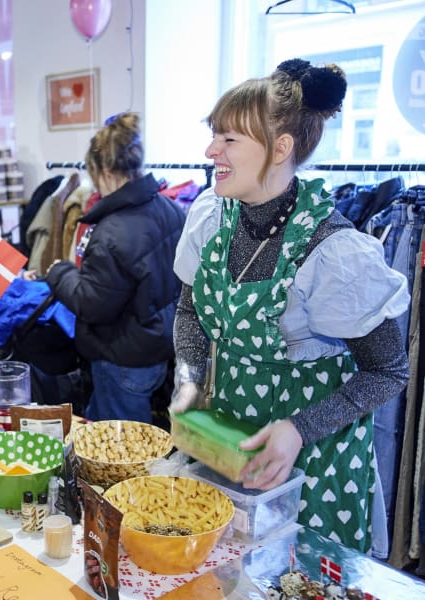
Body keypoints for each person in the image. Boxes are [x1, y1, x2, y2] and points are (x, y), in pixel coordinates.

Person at [170, 58, 409, 553]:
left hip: (315, 459)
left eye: (229, 139)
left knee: (301, 577)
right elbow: (191, 311)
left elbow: (389, 369)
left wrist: (300, 429)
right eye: (214, 135)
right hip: (233, 440)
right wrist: (192, 382)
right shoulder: (212, 218)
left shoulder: (333, 250)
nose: (211, 150)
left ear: (281, 148)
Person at [39, 113, 186, 423]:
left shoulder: (111, 232)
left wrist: (58, 271)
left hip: (121, 358)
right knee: (139, 437)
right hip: (158, 350)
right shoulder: (171, 209)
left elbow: (92, 304)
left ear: (106, 172)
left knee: (119, 452)